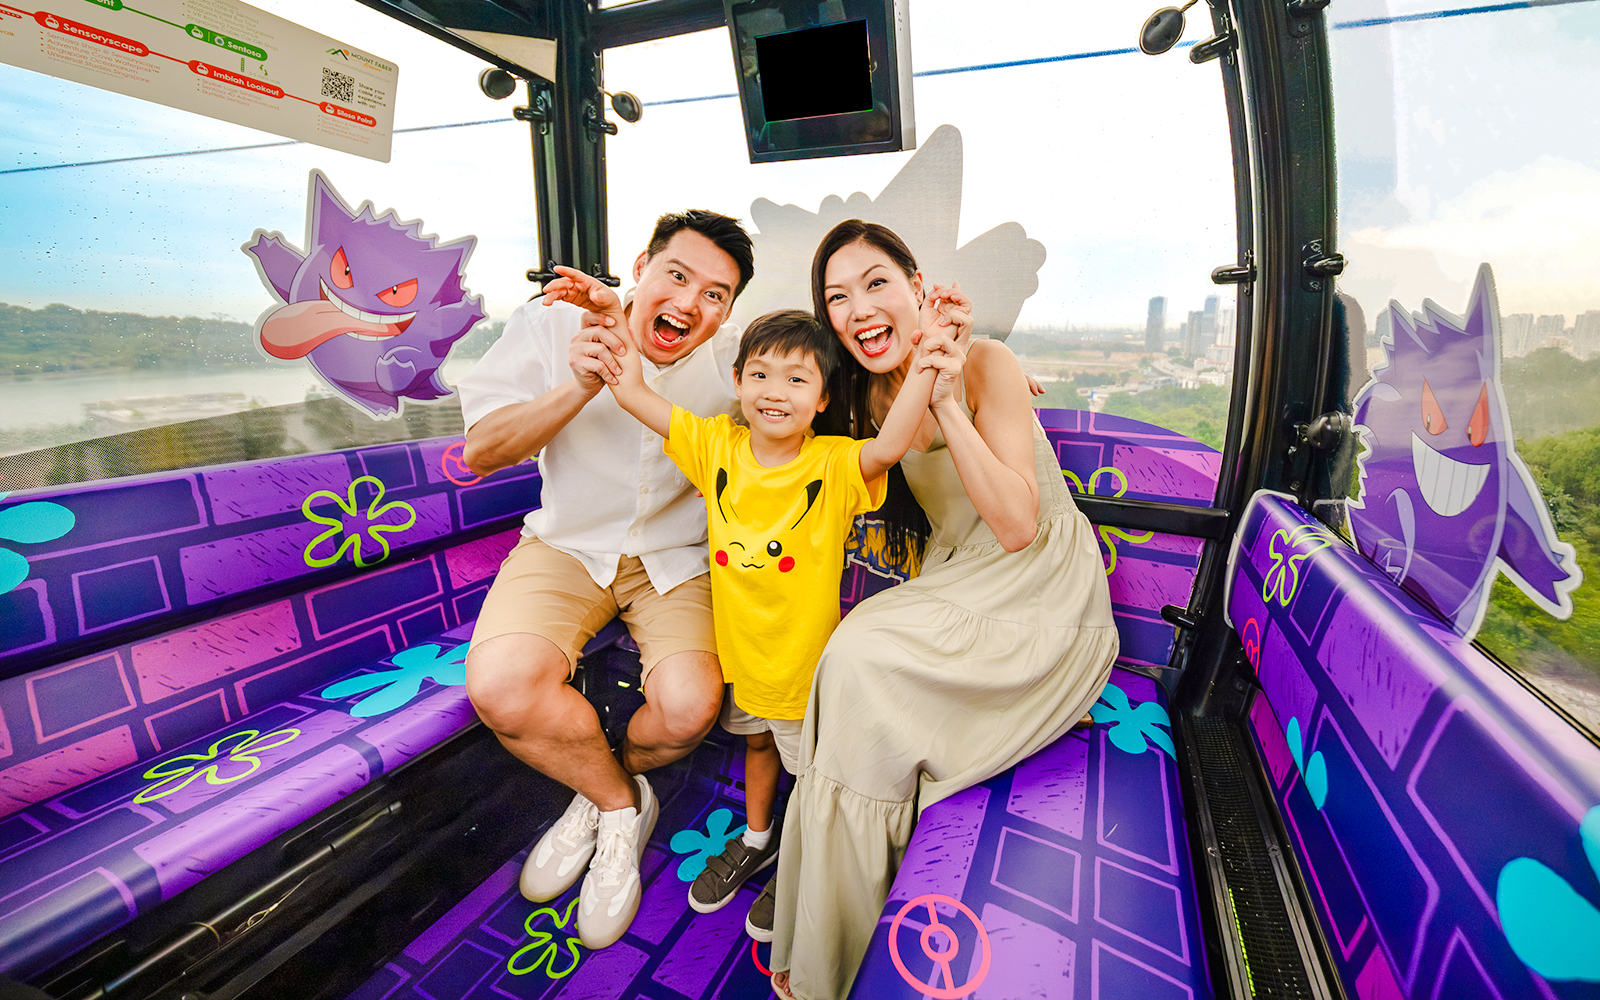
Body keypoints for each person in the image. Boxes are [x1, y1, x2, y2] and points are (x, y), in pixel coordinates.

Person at [767, 220, 1119, 999]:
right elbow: (780, 422)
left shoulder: (985, 361)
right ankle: (830, 905)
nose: (858, 307)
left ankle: (835, 927)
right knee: (843, 662)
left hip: (1038, 586)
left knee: (859, 653)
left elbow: (1019, 525)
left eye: (876, 283)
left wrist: (958, 396)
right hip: (955, 577)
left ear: (917, 285)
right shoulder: (861, 399)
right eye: (837, 297)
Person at [597, 305, 960, 939]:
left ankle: (802, 867)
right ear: (737, 382)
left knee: (812, 779)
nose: (775, 391)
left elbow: (893, 444)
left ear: (822, 399)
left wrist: (927, 357)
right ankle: (759, 838)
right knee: (754, 743)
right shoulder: (715, 445)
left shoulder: (832, 465)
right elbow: (631, 391)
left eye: (797, 380)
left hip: (802, 672)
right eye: (761, 374)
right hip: (742, 658)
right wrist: (604, 318)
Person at [457, 210, 754, 950]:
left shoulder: (734, 366)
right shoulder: (554, 327)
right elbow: (481, 452)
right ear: (643, 265)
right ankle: (620, 805)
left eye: (716, 295)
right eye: (678, 276)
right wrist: (581, 383)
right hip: (566, 545)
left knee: (688, 708)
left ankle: (600, 787)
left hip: (676, 560)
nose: (690, 304)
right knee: (500, 685)